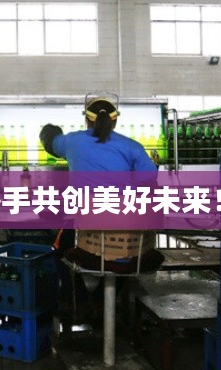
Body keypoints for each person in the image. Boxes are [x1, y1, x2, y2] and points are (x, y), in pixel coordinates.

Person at [40, 95, 159, 322]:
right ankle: (101, 302)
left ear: (86, 120)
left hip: (86, 239)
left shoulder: (73, 142)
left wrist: (50, 131)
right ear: (115, 121)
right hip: (125, 242)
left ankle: (78, 302)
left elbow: (50, 142)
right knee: (128, 255)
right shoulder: (132, 147)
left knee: (59, 250)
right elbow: (149, 180)